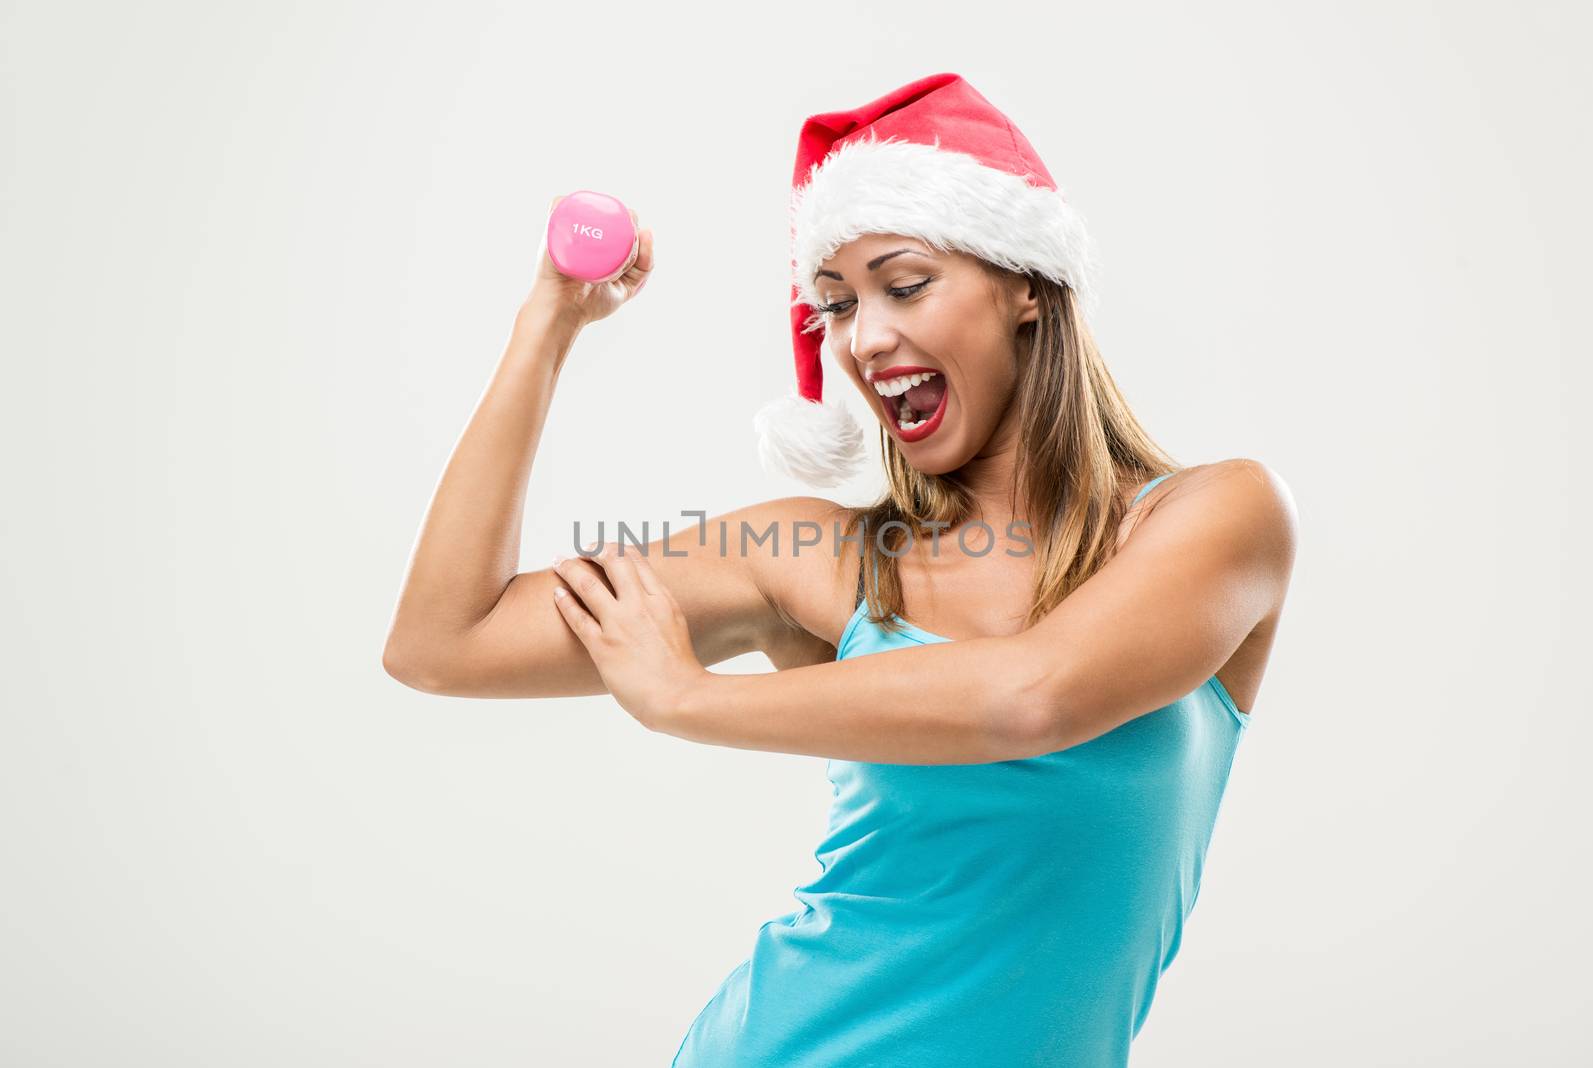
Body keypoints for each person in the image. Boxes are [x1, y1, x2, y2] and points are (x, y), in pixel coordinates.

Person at [383, 72, 1298, 1067]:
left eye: (904, 286)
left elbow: (1034, 697)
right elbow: (443, 644)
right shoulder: (821, 558)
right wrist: (547, 328)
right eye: (833, 306)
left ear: (1025, 283)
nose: (863, 339)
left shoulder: (1216, 517)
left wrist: (686, 700)